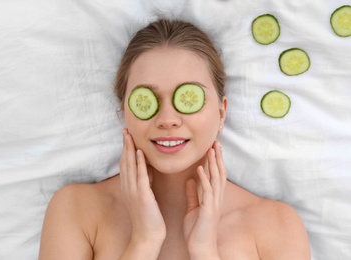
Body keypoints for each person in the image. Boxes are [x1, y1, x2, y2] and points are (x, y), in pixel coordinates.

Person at [39, 19, 310, 259]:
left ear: (221, 112)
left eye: (188, 98)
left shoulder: (278, 225)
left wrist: (205, 251)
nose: (167, 118)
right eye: (146, 100)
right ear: (125, 112)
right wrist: (144, 242)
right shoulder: (75, 209)